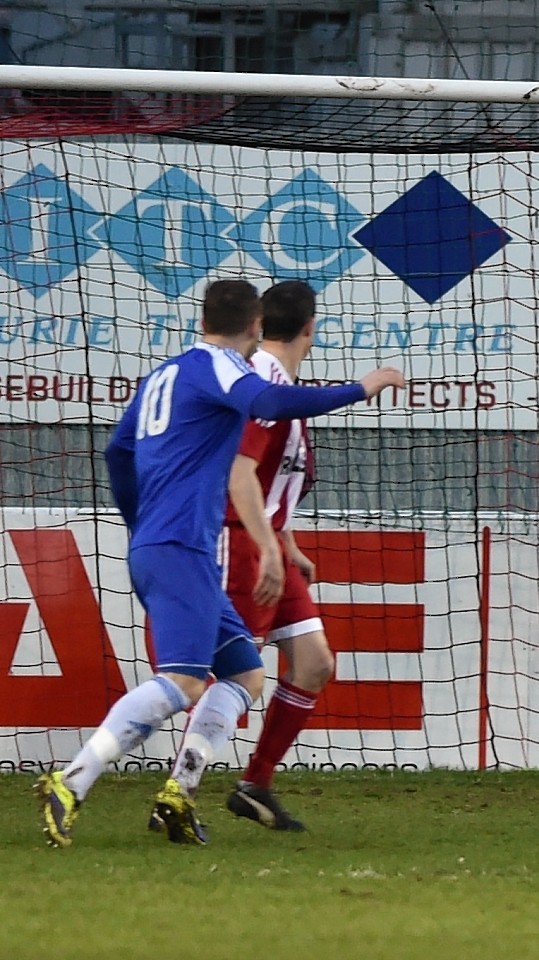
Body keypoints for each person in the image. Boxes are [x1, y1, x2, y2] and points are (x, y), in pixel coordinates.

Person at [34, 279, 403, 848]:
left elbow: (118, 452)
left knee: (246, 674)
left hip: (169, 545)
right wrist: (362, 387)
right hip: (182, 546)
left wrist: (140, 521)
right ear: (255, 328)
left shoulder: (163, 374)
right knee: (183, 680)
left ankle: (180, 794)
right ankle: (71, 780)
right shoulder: (222, 367)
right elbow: (272, 403)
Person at [220, 280, 332, 832]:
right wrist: (268, 546)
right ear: (310, 327)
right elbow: (237, 472)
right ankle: (179, 788)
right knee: (219, 678)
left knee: (314, 663)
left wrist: (287, 543)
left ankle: (255, 784)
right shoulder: (262, 383)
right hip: (243, 545)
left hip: (270, 545)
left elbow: (270, 478)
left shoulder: (281, 382)